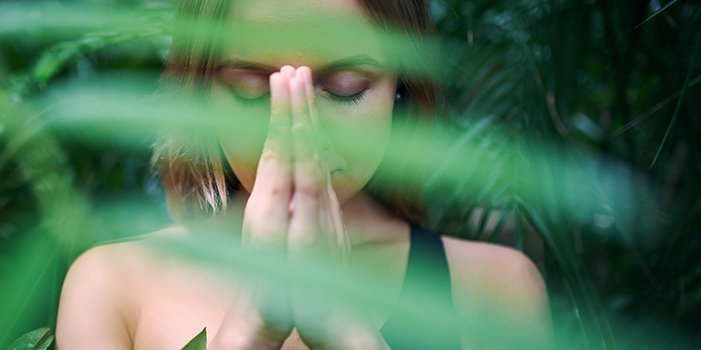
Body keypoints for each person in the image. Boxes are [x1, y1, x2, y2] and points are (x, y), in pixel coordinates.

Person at [55, 0, 552, 349]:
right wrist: (251, 327)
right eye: (251, 87)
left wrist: (345, 331)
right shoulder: (112, 288)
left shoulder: (494, 293)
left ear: (401, 87)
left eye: (343, 87)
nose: (297, 129)